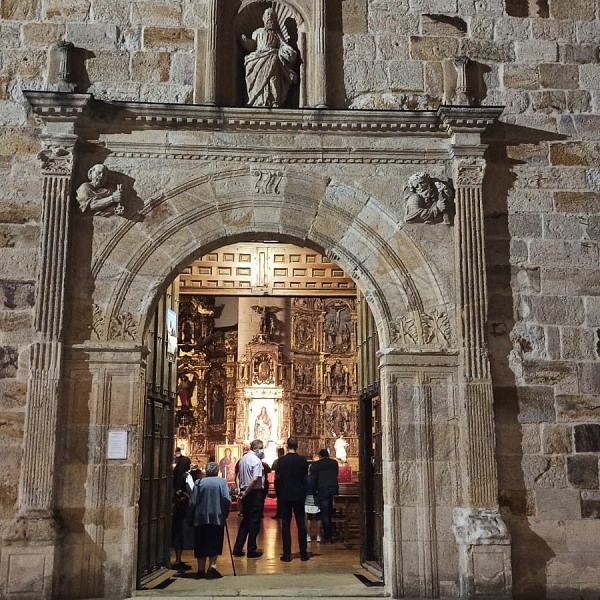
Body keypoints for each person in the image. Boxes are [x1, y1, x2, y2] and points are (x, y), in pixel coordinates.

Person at [240, 7, 298, 107]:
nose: (269, 17)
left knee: (273, 78)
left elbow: (284, 45)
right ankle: (257, 100)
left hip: (273, 58)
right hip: (259, 57)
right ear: (263, 18)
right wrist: (245, 41)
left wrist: (289, 52)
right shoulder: (258, 32)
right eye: (267, 14)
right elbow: (252, 44)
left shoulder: (277, 35)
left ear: (275, 19)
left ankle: (273, 100)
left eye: (272, 15)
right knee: (253, 71)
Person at [186, 461, 231, 579]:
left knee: (201, 542)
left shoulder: (199, 482)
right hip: (217, 516)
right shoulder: (222, 482)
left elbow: (193, 501)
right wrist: (226, 512)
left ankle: (200, 569)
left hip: (200, 517)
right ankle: (212, 567)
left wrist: (189, 516)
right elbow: (226, 499)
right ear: (217, 471)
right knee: (215, 541)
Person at [276, 437, 309, 562]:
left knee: (286, 524)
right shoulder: (302, 460)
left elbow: (278, 477)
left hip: (285, 495)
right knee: (301, 523)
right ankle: (304, 554)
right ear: (297, 446)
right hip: (299, 494)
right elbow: (305, 477)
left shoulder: (282, 460)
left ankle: (287, 554)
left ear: (286, 446)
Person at [232, 439, 265, 559]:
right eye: (262, 448)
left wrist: (241, 490)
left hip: (244, 491)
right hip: (254, 492)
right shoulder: (256, 460)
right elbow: (255, 478)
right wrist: (246, 491)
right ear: (257, 448)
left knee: (245, 520)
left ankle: (238, 548)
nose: (262, 451)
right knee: (254, 521)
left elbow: (239, 476)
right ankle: (251, 549)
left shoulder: (243, 459)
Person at [310, 448, 339, 543]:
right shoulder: (334, 463)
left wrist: (313, 491)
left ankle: (328, 536)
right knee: (332, 511)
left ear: (320, 456)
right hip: (334, 488)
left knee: (325, 513)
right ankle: (334, 532)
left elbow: (314, 479)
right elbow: (336, 474)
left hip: (323, 488)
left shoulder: (316, 465)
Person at [171, 453, 193, 570]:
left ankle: (177, 559)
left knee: (177, 533)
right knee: (183, 532)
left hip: (177, 507)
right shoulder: (186, 476)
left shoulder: (175, 475)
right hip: (185, 508)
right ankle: (179, 560)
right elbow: (192, 491)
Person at [304, 463, 322, 543]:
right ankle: (318, 536)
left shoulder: (305, 478)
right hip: (317, 497)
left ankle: (308, 536)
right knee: (318, 517)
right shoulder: (319, 478)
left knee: (309, 517)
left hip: (308, 497)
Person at [271, 447, 285, 519]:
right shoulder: (286, 460)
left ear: (278, 453)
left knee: (279, 498)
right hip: (286, 481)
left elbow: (272, 469)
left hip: (279, 481)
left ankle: (279, 513)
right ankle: (284, 513)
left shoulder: (277, 461)